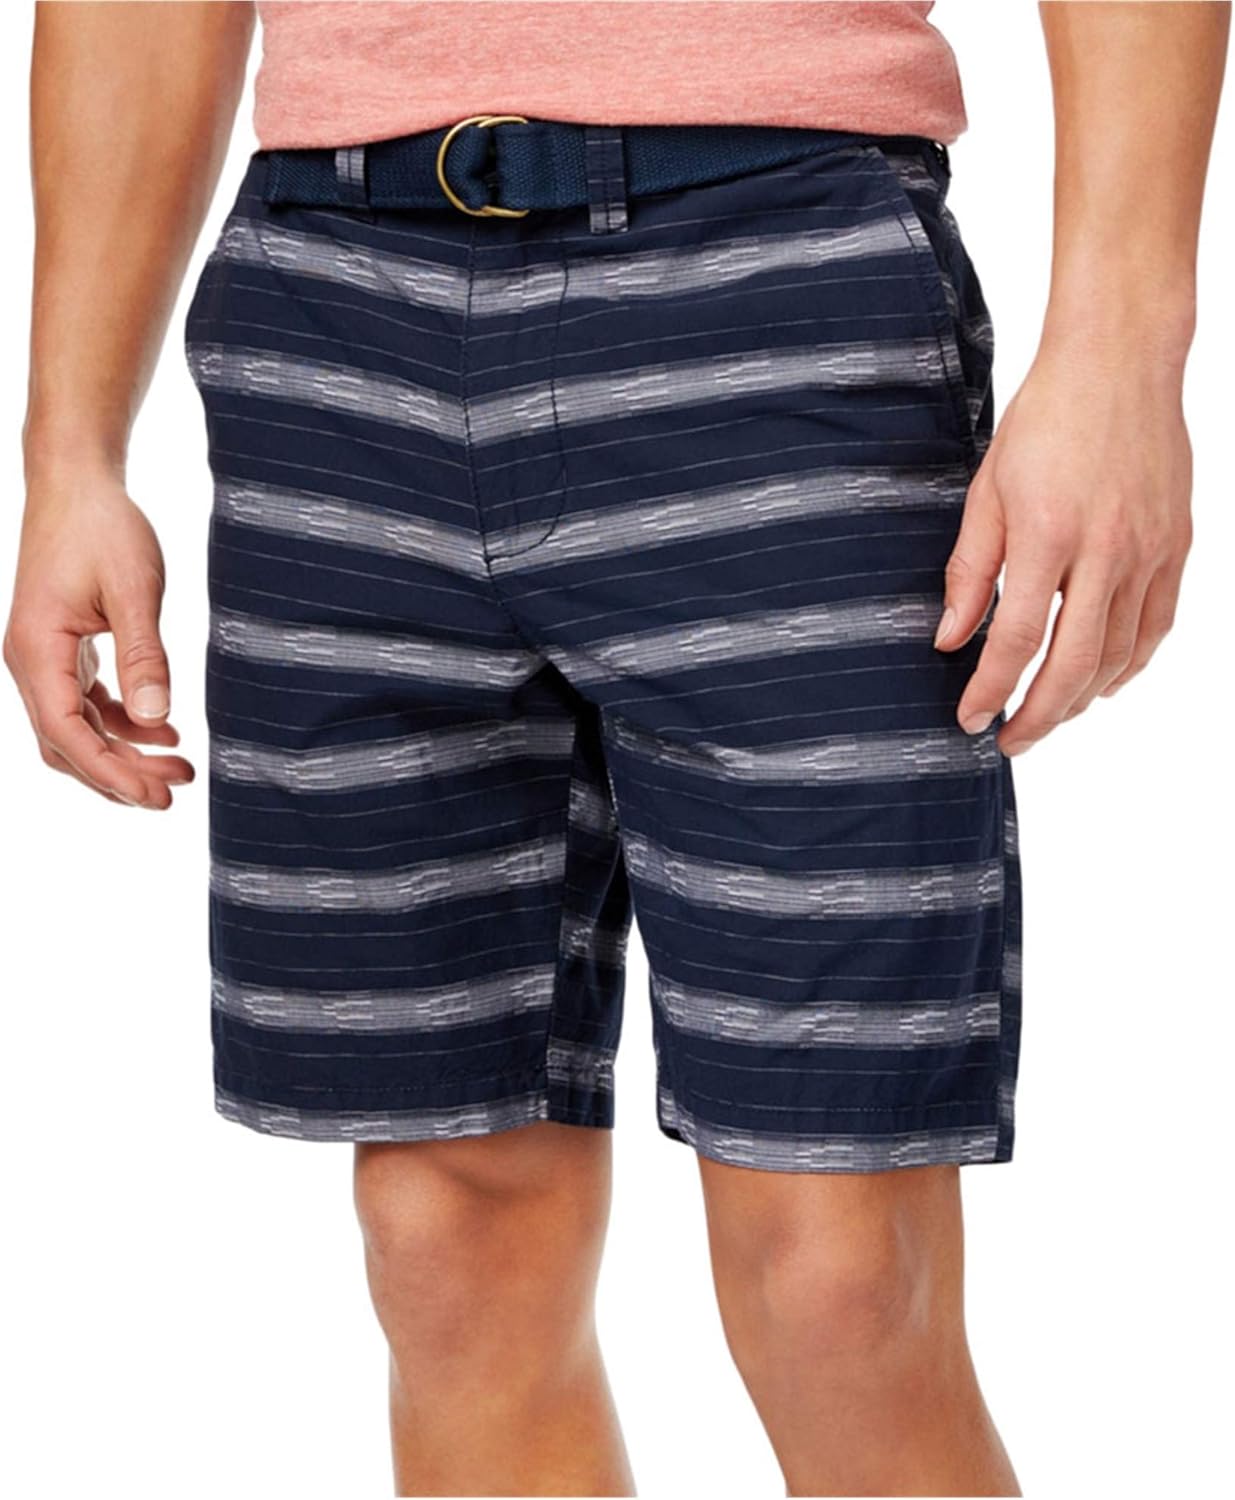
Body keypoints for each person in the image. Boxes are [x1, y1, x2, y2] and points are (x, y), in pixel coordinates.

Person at [5, 2, 1228, 1495]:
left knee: (839, 1277)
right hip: (331, 306)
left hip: (779, 274)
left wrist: (1123, 349)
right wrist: (68, 450)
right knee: (445, 1238)